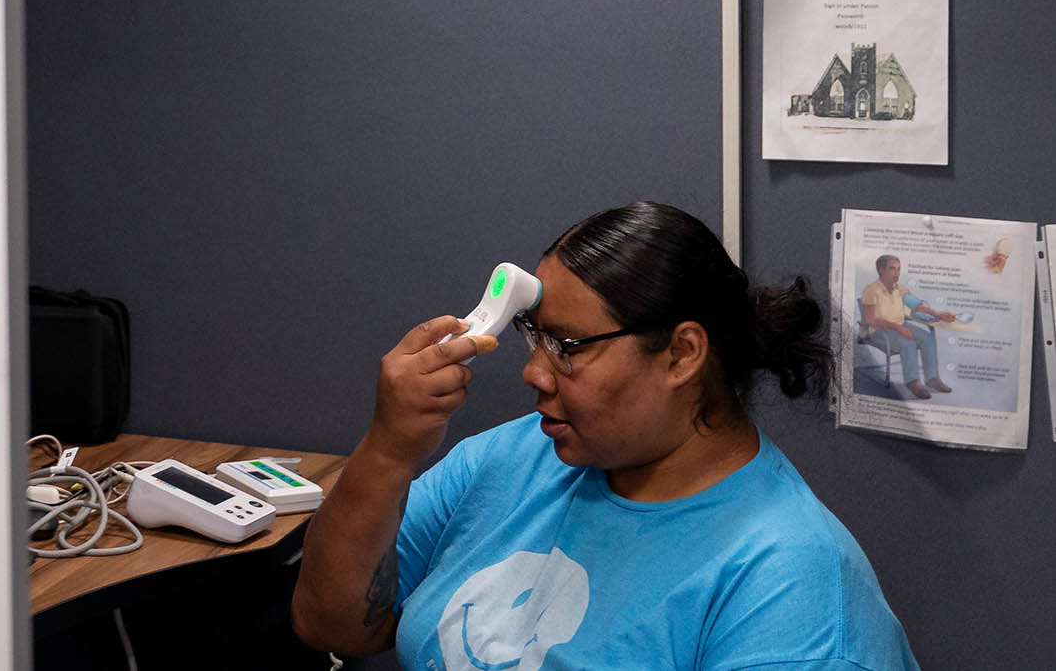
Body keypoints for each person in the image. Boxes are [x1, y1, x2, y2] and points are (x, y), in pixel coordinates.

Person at [290, 202, 919, 670]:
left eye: (567, 346)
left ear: (681, 354)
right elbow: (333, 625)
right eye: (533, 337)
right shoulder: (514, 456)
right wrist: (387, 451)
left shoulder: (791, 585)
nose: (534, 372)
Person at [859, 254, 951, 398]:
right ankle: (913, 382)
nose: (896, 273)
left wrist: (938, 314)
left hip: (900, 324)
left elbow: (917, 305)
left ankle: (932, 378)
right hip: (879, 330)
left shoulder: (899, 289)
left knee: (927, 337)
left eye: (898, 269)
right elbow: (870, 319)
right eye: (892, 269)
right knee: (908, 341)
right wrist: (898, 328)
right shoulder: (870, 290)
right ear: (881, 269)